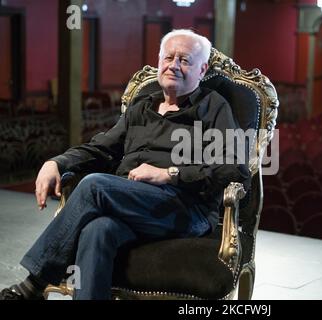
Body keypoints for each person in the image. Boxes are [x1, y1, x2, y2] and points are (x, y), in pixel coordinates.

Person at [0, 29, 250, 300]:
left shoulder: (214, 107)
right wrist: (56, 163)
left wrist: (170, 174)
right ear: (159, 62)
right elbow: (99, 148)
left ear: (202, 70)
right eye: (168, 58)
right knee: (98, 230)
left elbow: (236, 168)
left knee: (94, 185)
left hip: (183, 209)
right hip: (130, 202)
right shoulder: (142, 107)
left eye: (184, 60)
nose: (173, 66)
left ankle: (33, 286)